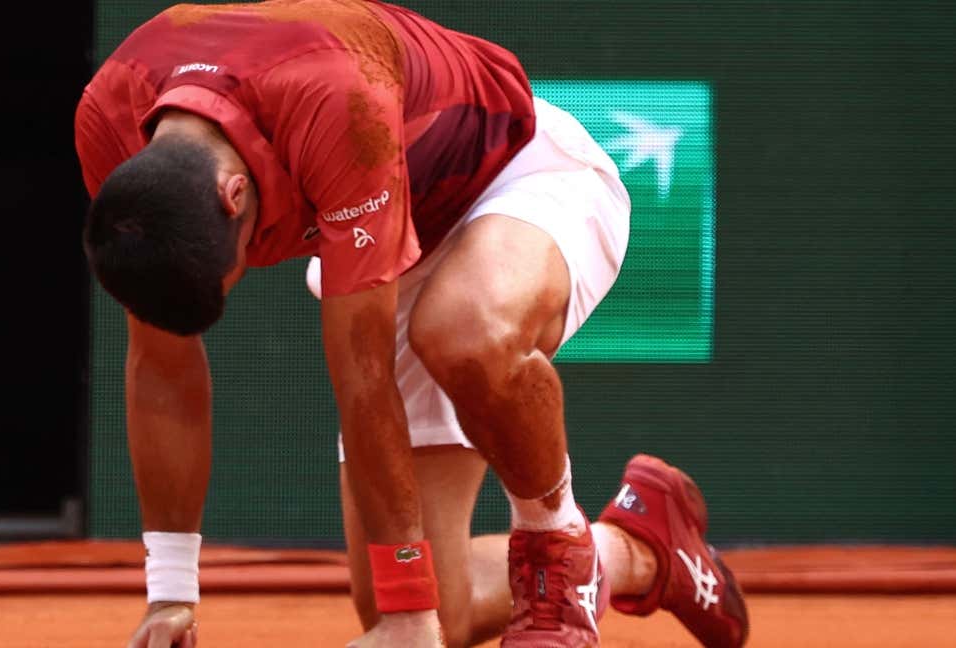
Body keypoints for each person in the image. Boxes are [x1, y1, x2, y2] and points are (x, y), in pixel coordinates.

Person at [74, 1, 747, 647]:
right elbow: (162, 367)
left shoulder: (337, 101)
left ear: (234, 193)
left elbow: (362, 379)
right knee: (436, 610)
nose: (249, 267)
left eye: (241, 261)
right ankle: (639, 548)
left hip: (518, 180)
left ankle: (555, 544)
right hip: (392, 240)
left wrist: (407, 617)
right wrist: (169, 592)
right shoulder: (113, 122)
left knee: (462, 332)